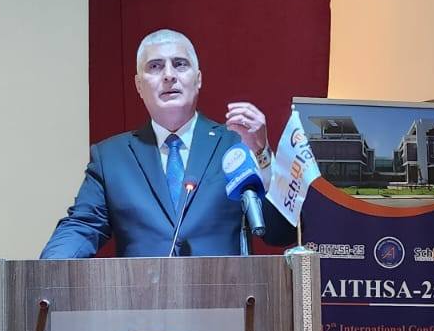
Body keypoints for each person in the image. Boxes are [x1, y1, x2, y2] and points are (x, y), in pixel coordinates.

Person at [41, 29, 296, 258]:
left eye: (179, 64)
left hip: (223, 291)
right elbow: (82, 227)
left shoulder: (234, 144)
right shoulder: (111, 158)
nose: (169, 75)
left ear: (198, 79)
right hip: (142, 294)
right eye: (155, 66)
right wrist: (45, 271)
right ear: (139, 85)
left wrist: (261, 153)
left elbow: (280, 233)